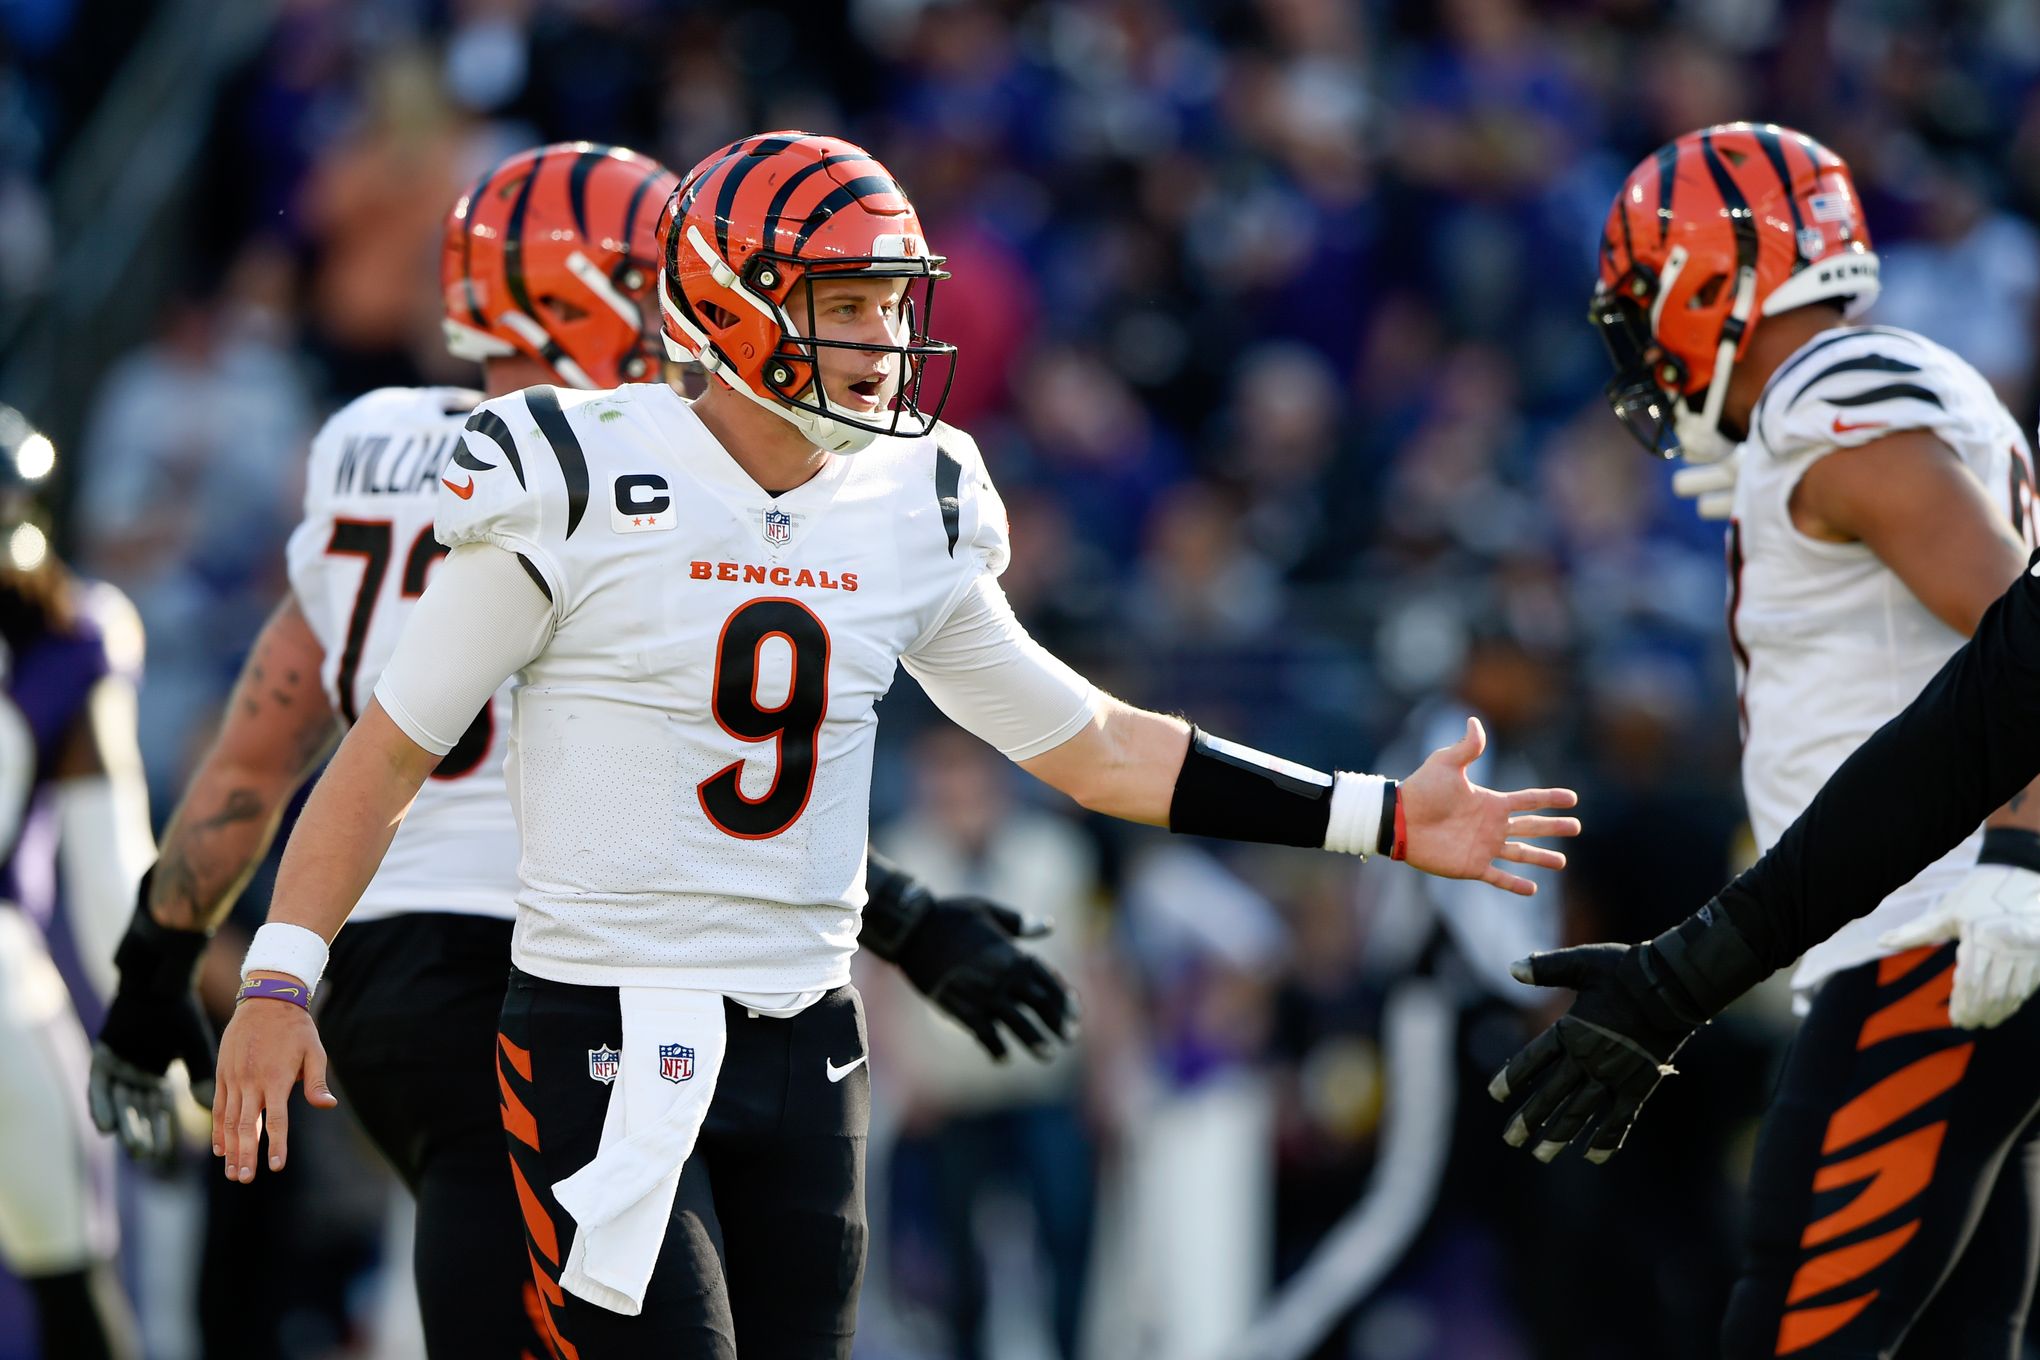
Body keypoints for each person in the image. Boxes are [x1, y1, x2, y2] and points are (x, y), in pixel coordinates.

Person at [210, 131, 1579, 1359]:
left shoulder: (906, 502)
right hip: (601, 1035)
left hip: (809, 1043)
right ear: (730, 303)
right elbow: (382, 753)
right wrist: (278, 979)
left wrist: (1382, 818)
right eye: (846, 304)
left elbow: (1093, 743)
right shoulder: (571, 475)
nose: (882, 340)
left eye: (888, 303)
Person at [87, 141, 1076, 1359]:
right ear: (587, 298)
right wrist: (912, 917)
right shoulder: (601, 471)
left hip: (383, 976)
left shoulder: (377, 447)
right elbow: (691, 777)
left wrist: (153, 967)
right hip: (539, 973)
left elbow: (256, 754)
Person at [1492, 122, 2040, 1359]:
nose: (1642, 349)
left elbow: (2030, 659)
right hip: (1956, 942)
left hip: (1933, 941)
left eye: (1645, 305)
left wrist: (2022, 859)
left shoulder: (1825, 400)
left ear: (1700, 282)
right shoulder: (1899, 388)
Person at [0, 406, 151, 1359]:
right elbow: (106, 877)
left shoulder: (65, 642)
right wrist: (149, 1023)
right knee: (71, 1283)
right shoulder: (70, 637)